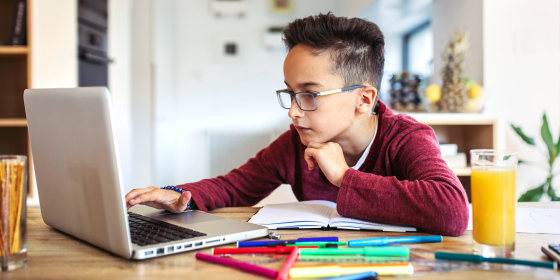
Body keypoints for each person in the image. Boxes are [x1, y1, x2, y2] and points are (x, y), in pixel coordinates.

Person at [126, 13, 469, 236]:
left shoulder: (405, 137)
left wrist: (344, 177)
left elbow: (452, 211)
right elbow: (234, 186)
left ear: (363, 100)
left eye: (309, 94)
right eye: (289, 93)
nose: (292, 111)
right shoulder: (296, 142)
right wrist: (175, 195)